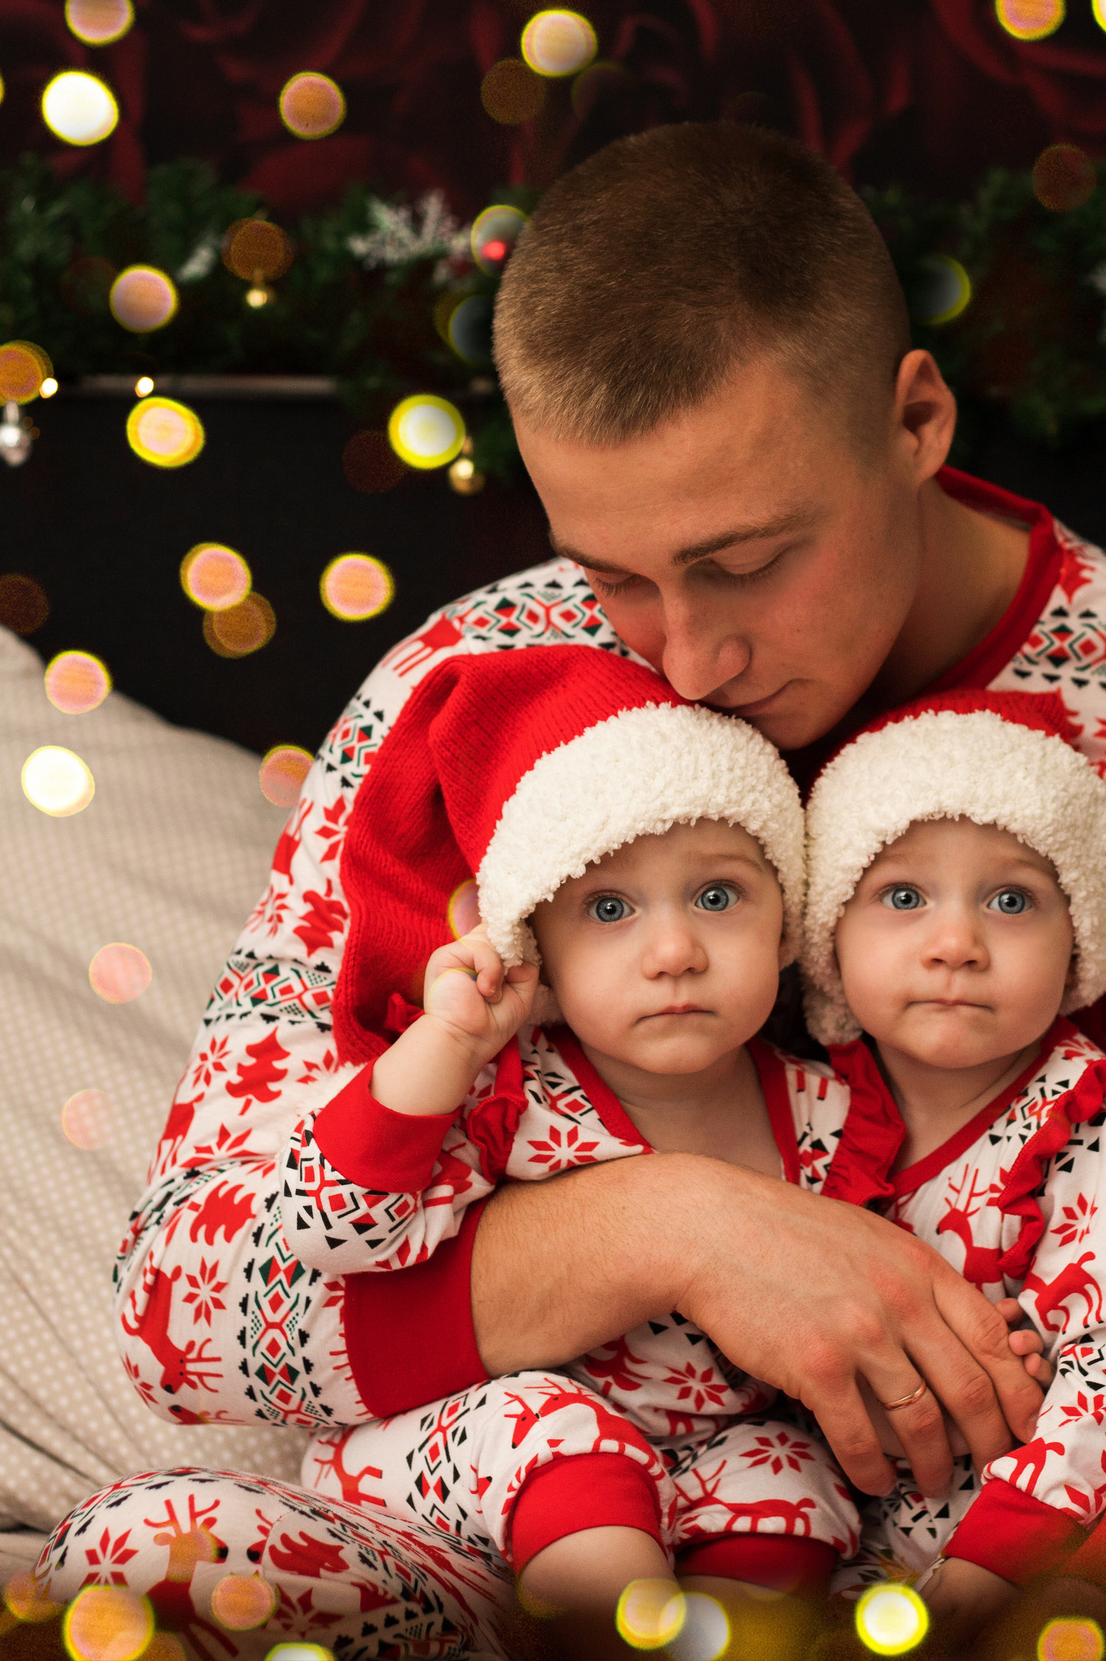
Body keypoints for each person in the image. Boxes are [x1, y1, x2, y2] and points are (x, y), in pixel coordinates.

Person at [33, 123, 1106, 1661]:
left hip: (1040, 1566)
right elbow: (191, 1318)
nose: (689, 655)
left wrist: (1058, 1617)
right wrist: (680, 1224)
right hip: (550, 1550)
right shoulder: (467, 689)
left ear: (915, 419)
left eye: (747, 563)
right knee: (147, 1558)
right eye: (616, 577)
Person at [281, 645, 894, 1641]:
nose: (673, 951)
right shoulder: (512, 1095)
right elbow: (336, 1225)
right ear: (537, 950)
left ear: (787, 926)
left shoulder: (833, 1115)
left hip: (703, 1454)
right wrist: (442, 1045)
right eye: (608, 910)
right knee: (570, 1444)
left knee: (788, 1473)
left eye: (717, 896)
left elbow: (894, 1269)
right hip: (485, 1440)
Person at [793, 689, 1106, 1646]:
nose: (955, 943)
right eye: (902, 896)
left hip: (1024, 1573)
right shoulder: (799, 1111)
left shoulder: (1096, 1126)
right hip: (836, 1561)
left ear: (1079, 944)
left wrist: (985, 1576)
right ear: (829, 934)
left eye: (1012, 900)